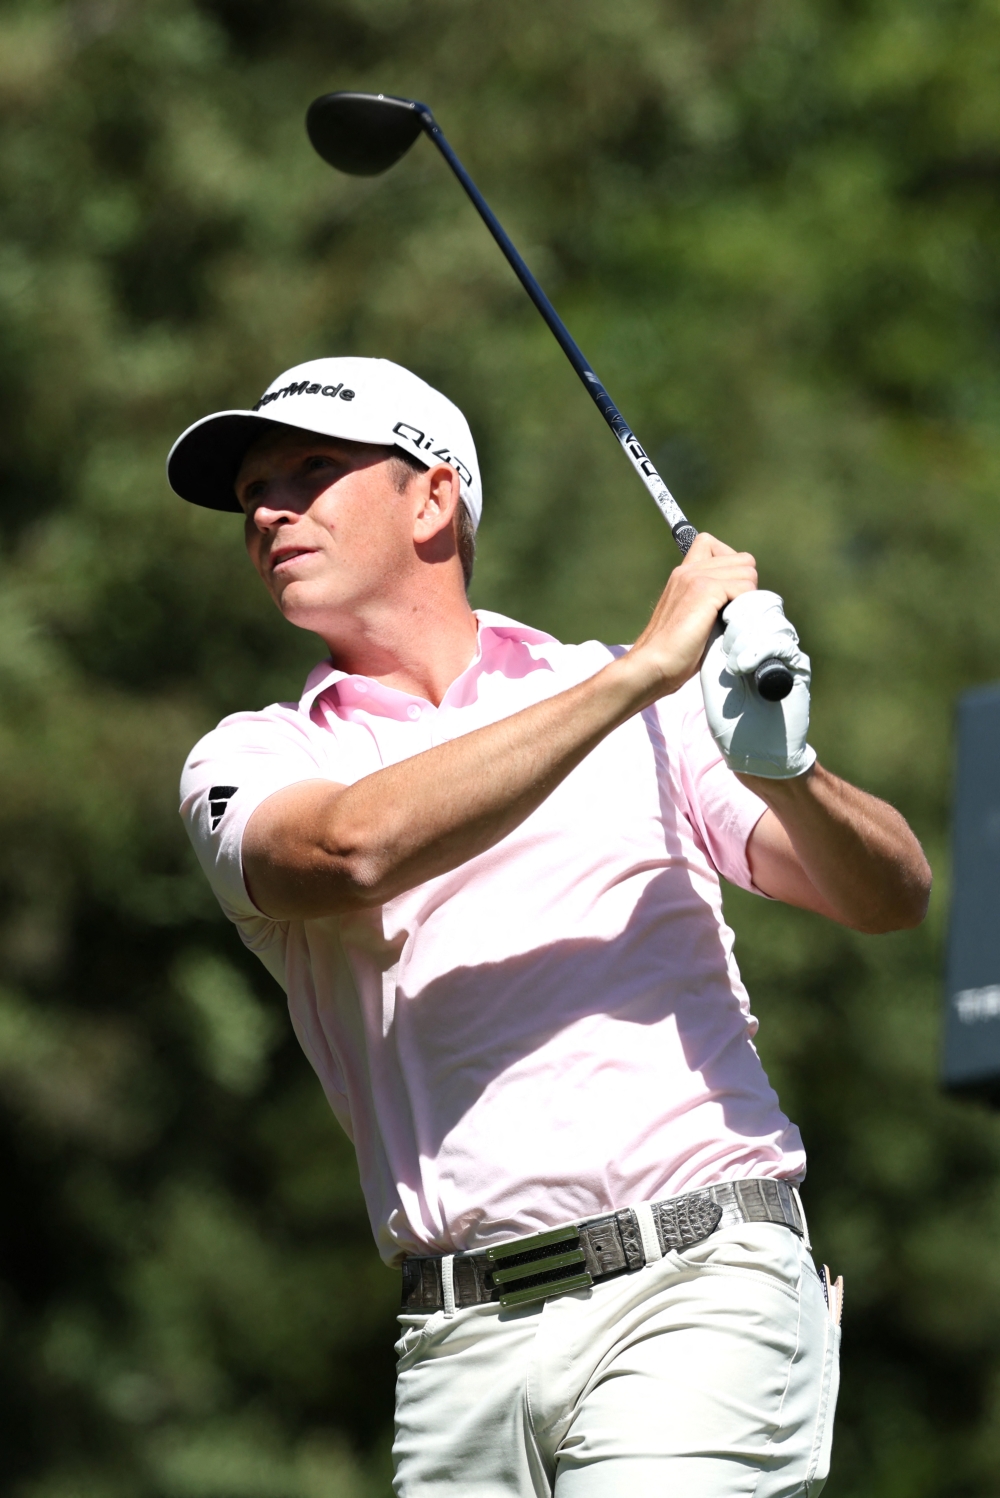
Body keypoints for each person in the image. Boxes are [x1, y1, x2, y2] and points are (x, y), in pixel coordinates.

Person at [171, 355, 930, 1498]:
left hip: (693, 1284)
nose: (271, 512)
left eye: (310, 473)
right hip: (454, 1342)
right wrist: (631, 680)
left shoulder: (650, 705)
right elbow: (347, 850)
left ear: (430, 497)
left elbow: (889, 895)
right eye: (253, 500)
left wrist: (790, 773)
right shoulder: (253, 757)